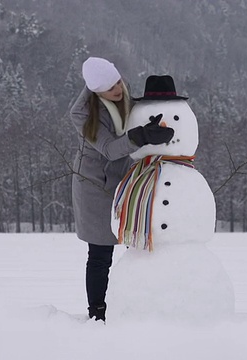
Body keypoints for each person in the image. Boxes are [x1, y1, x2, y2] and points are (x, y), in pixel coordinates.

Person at [70, 57, 174, 322]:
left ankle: (135, 303)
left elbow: (138, 113)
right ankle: (97, 313)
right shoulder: (83, 114)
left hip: (130, 179)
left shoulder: (121, 88)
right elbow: (108, 149)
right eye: (110, 88)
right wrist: (141, 136)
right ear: (96, 91)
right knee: (100, 253)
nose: (118, 89)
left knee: (138, 248)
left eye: (118, 81)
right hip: (95, 186)